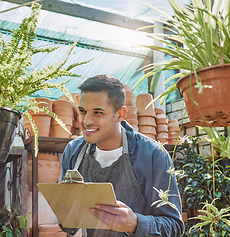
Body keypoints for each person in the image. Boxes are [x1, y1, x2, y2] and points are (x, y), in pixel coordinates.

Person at [59, 75, 184, 236]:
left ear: (120, 114)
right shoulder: (73, 152)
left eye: (98, 112)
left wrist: (135, 223)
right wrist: (66, 213)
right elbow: (67, 223)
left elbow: (174, 227)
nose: (86, 121)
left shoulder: (153, 155)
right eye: (82, 111)